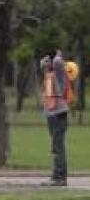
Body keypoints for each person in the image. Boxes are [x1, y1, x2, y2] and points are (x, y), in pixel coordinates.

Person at [40, 53, 70, 186]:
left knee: (58, 146)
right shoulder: (49, 76)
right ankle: (56, 174)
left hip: (59, 113)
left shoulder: (59, 72)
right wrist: (45, 67)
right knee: (55, 146)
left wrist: (56, 56)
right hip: (52, 114)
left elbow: (57, 61)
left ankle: (60, 176)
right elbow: (48, 96)